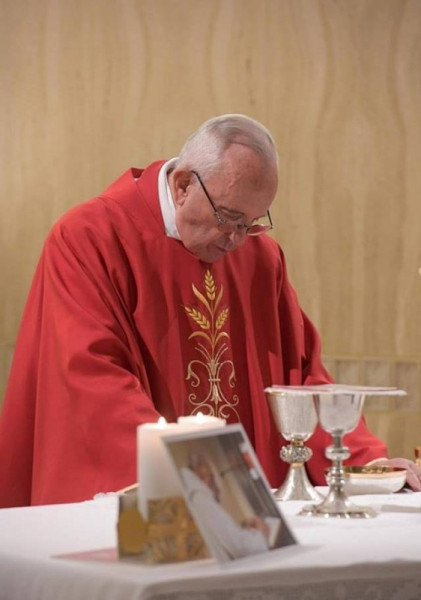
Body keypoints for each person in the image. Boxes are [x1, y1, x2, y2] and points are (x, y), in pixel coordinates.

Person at [0, 114, 419, 507]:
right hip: (149, 496)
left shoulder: (260, 258)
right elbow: (90, 375)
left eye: (251, 223)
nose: (236, 239)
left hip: (239, 501)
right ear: (183, 185)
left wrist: (366, 462)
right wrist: (195, 470)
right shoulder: (90, 238)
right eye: (228, 217)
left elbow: (302, 375)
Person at [180, 451, 288, 561]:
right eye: (211, 475)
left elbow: (225, 538)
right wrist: (263, 533)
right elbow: (239, 547)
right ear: (200, 473)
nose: (214, 482)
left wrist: (246, 530)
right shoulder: (200, 498)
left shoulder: (196, 497)